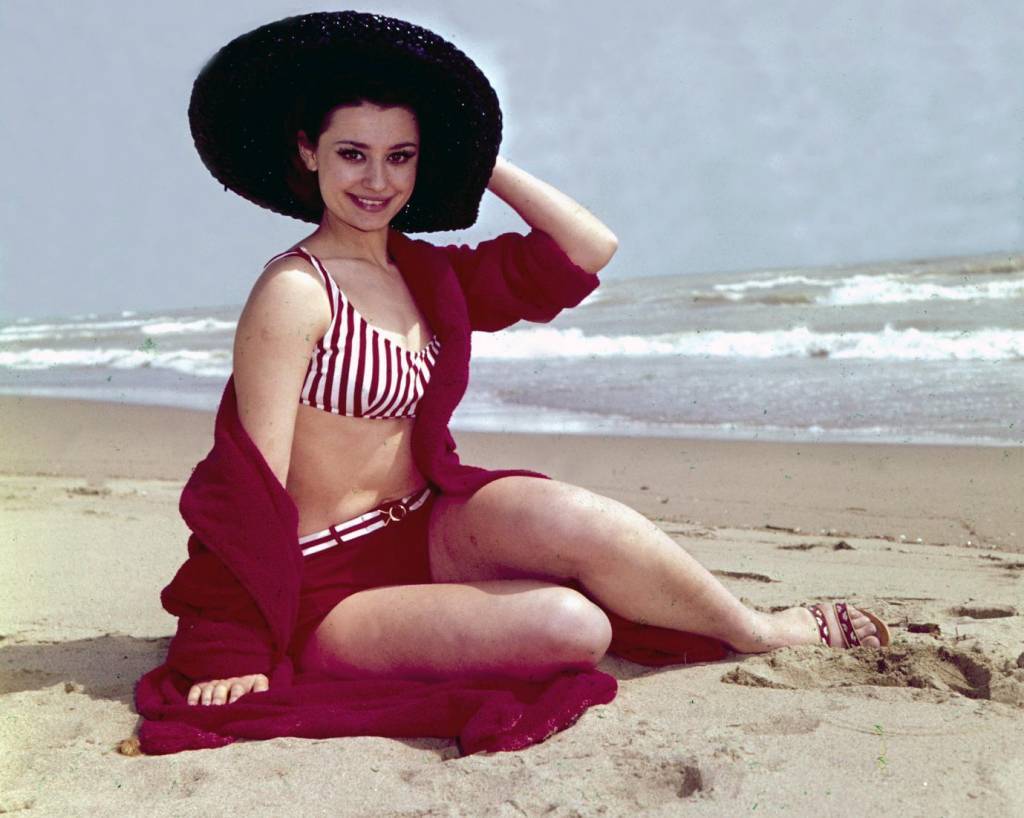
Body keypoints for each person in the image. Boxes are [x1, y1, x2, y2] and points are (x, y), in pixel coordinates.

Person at [153, 10, 888, 737]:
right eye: (352, 154)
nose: (377, 180)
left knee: (571, 517)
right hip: (326, 586)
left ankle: (757, 628)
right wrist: (231, 646)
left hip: (429, 528)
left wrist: (477, 154)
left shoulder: (425, 274)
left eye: (401, 156)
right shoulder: (295, 291)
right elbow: (247, 479)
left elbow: (587, 247)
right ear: (308, 151)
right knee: (575, 626)